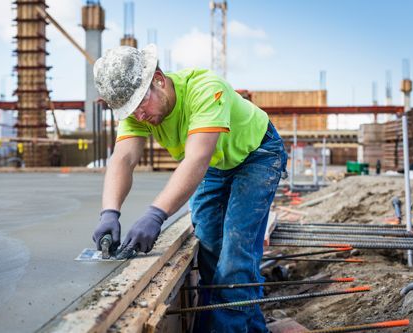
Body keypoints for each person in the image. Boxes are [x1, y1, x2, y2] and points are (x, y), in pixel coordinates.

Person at [92, 44, 287, 333]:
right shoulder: (138, 112)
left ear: (158, 79)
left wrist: (156, 214)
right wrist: (109, 212)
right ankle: (253, 328)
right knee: (209, 246)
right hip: (217, 163)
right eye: (131, 111)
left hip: (257, 155)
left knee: (236, 255)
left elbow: (197, 158)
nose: (139, 116)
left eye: (141, 105)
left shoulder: (205, 89)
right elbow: (124, 157)